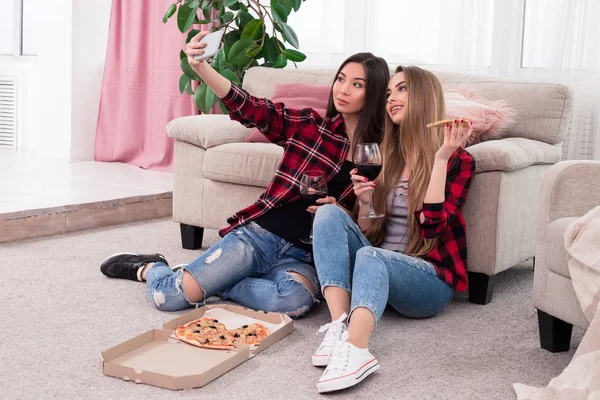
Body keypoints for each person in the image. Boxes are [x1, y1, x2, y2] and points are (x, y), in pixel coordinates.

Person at [99, 30, 390, 319]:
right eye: (341, 79)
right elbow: (251, 108)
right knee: (167, 297)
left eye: (357, 84)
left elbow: (364, 232)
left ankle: (213, 280)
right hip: (260, 237)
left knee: (295, 301)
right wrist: (202, 67)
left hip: (303, 258)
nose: (343, 89)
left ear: (374, 93)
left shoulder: (378, 157)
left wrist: (342, 212)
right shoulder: (310, 127)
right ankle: (153, 268)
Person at [310, 65, 476, 392]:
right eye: (388, 93)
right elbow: (372, 233)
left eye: (401, 90)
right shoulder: (390, 155)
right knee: (328, 214)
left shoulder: (458, 160)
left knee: (374, 256)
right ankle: (339, 326)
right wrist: (369, 203)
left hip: (430, 281)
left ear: (424, 97)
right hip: (380, 265)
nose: (390, 99)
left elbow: (431, 228)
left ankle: (357, 350)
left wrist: (441, 158)